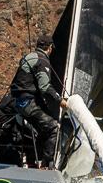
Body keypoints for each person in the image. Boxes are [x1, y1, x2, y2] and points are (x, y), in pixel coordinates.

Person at [8, 34, 67, 168]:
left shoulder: (29, 57)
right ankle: (46, 166)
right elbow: (45, 87)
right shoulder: (42, 60)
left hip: (17, 104)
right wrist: (60, 100)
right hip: (29, 104)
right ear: (50, 48)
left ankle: (32, 162)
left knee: (40, 129)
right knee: (53, 128)